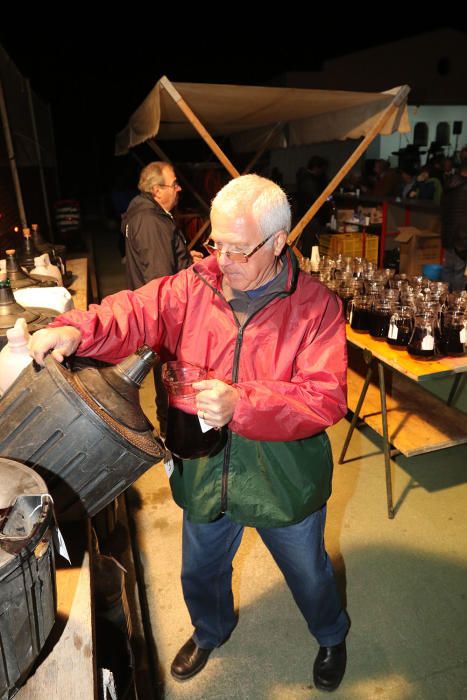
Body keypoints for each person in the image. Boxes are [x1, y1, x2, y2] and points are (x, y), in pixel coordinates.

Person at [30, 174, 350, 693]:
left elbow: (325, 397)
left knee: (309, 574)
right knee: (199, 570)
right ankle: (210, 630)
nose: (222, 261)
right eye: (216, 244)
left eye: (239, 250)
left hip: (283, 475)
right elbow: (132, 311)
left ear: (277, 241)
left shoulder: (317, 307)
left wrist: (241, 403)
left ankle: (331, 634)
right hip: (205, 465)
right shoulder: (191, 287)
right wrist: (76, 329)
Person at [122, 161, 203, 432]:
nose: (179, 189)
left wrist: (183, 257)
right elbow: (160, 280)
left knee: (167, 379)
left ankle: (175, 431)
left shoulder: (146, 215)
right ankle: (175, 438)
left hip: (160, 319)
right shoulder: (151, 220)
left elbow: (158, 260)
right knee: (171, 381)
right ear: (157, 190)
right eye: (174, 184)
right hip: (168, 321)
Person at [441, 148, 467, 291]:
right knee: (458, 273)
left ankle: (445, 304)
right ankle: (455, 307)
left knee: (448, 270)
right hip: (462, 238)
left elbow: (443, 208)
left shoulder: (450, 182)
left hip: (449, 235)